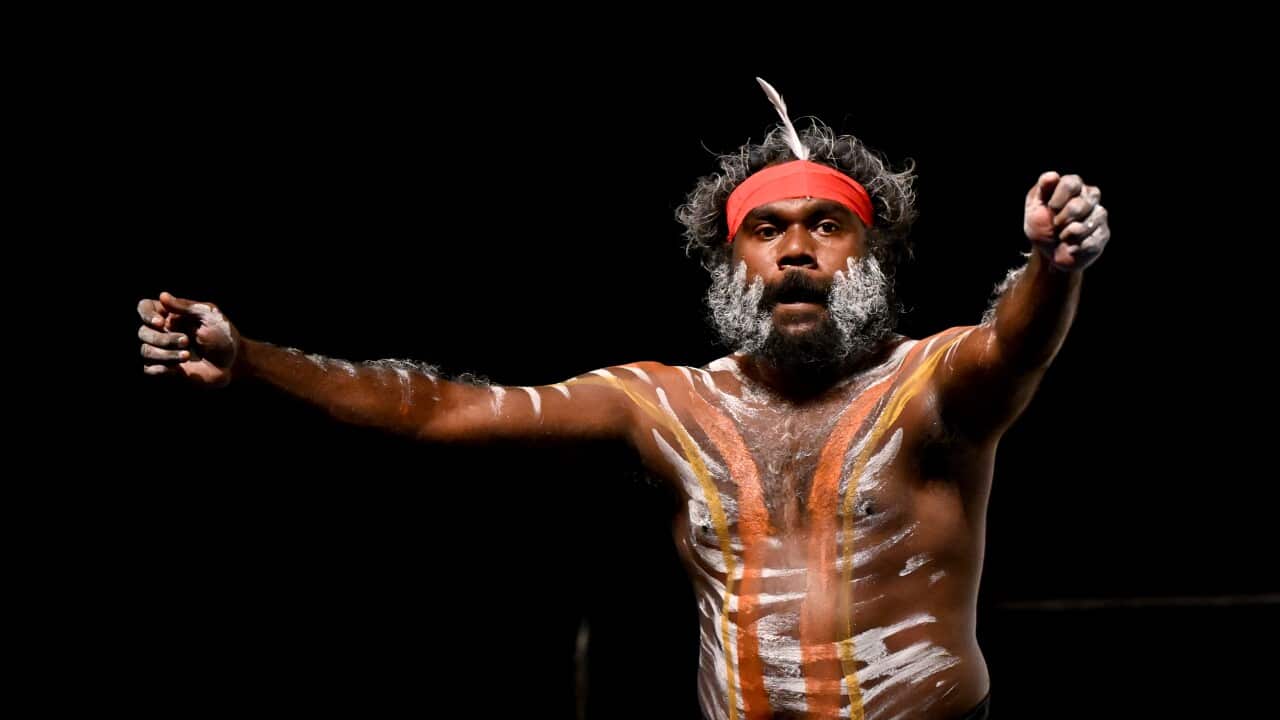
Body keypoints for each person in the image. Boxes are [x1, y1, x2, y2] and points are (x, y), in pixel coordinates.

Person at [136, 79, 1109, 720]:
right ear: (731, 261)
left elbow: (1010, 345)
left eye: (826, 226)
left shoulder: (927, 386)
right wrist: (251, 357)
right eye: (765, 230)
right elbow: (438, 409)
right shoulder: (663, 404)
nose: (797, 250)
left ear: (869, 255)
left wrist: (1052, 264)